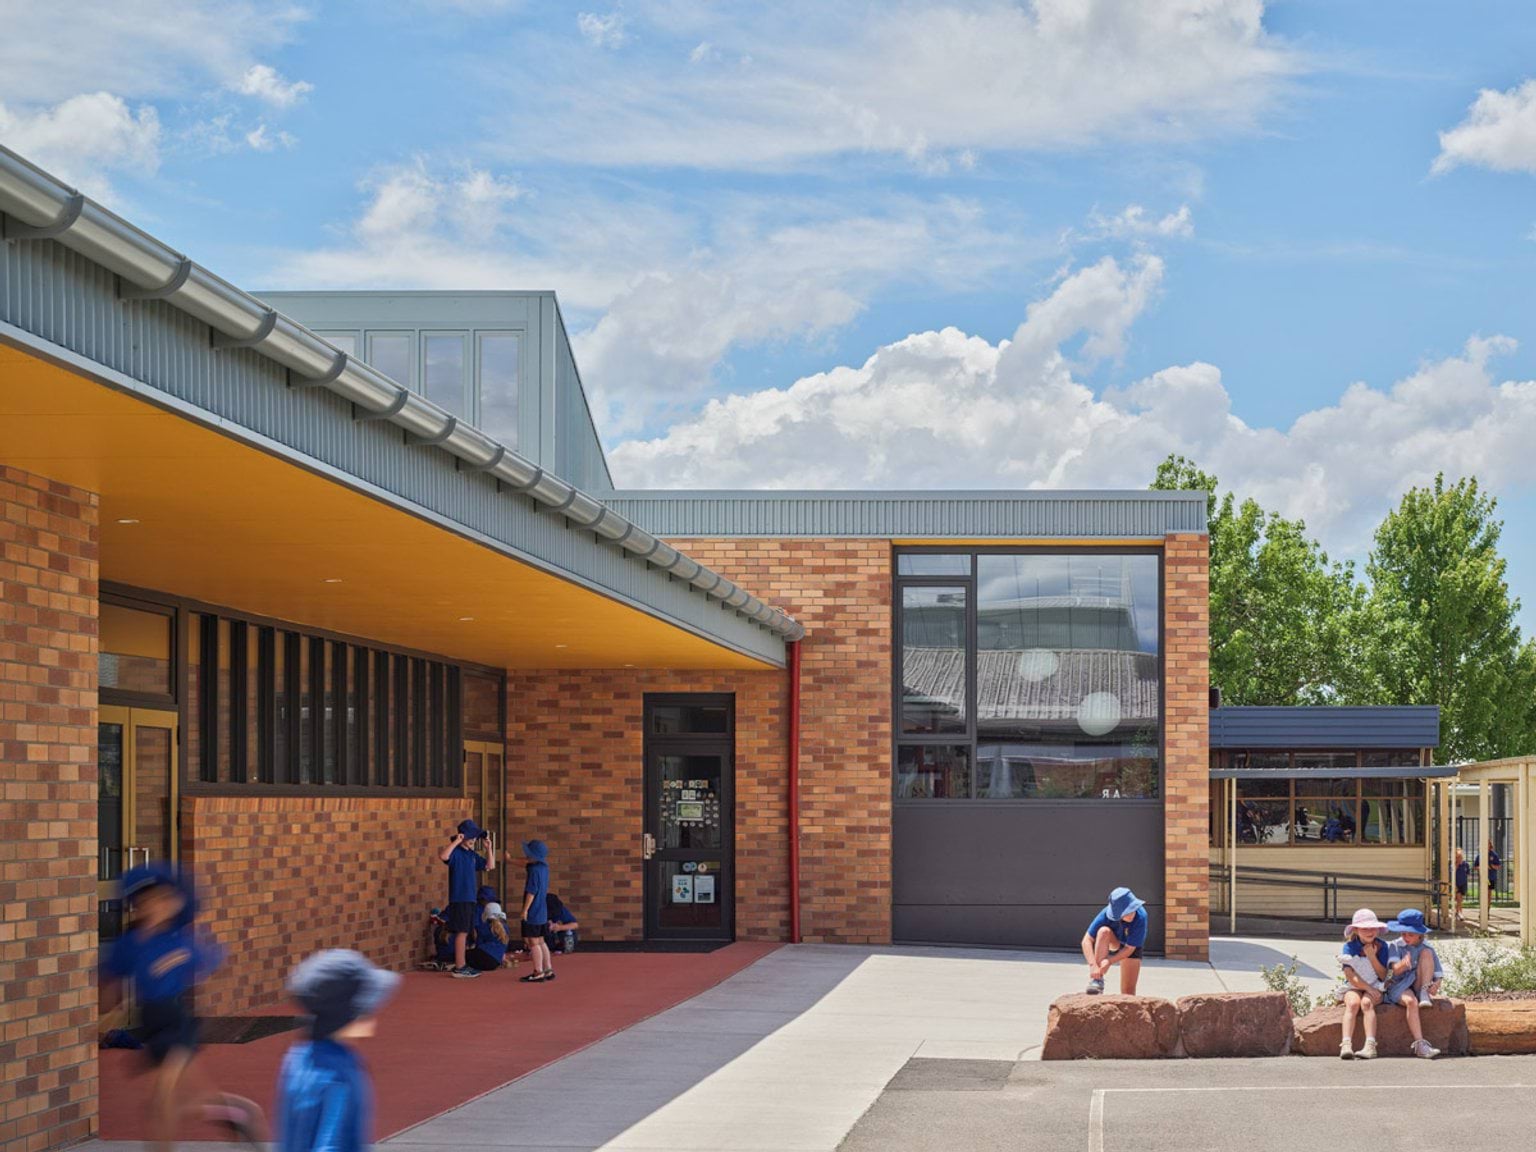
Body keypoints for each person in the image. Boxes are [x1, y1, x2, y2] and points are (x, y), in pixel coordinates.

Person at [99, 864, 265, 1152]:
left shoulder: (182, 941)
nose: (155, 907)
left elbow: (213, 964)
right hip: (151, 1027)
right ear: (136, 906)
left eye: (163, 900)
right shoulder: (129, 944)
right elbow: (111, 984)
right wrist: (107, 1008)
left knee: (162, 1100)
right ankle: (240, 1114)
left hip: (177, 1024)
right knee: (184, 1103)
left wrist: (199, 971)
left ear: (176, 903)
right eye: (146, 902)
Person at [278, 949, 401, 1152]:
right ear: (348, 1015)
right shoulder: (338, 1075)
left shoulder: (297, 1058)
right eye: (367, 1009)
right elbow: (331, 1145)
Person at [437, 819, 495, 979]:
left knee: (465, 931)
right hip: (459, 898)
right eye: (471, 838)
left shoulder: (472, 855)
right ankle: (460, 966)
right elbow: (443, 856)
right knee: (461, 932)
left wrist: (489, 849)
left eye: (475, 838)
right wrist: (457, 841)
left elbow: (489, 866)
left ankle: (461, 965)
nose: (473, 841)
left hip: (470, 898)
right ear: (462, 837)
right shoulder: (456, 853)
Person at [1337, 908, 1389, 1060]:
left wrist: (1372, 956)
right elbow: (1350, 976)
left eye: (1373, 928)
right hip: (1356, 985)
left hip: (1377, 984)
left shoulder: (1382, 946)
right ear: (1356, 930)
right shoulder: (1349, 947)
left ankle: (1370, 1045)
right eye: (1365, 928)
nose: (1369, 931)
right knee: (1353, 1003)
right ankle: (1346, 1044)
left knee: (1367, 1003)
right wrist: (1367, 988)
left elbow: (1383, 975)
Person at [1080, 887, 1147, 996]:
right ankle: (1097, 980)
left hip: (1130, 946)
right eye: (1127, 912)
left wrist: (1110, 961)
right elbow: (1086, 940)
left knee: (1128, 992)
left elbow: (1130, 948)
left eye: (1133, 909)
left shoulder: (1141, 917)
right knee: (1103, 931)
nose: (1131, 914)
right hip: (1114, 940)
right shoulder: (1105, 915)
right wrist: (1093, 966)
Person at [519, 839, 554, 983]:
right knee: (541, 941)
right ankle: (548, 969)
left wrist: (525, 910)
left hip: (533, 911)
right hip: (542, 911)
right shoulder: (544, 867)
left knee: (533, 942)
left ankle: (537, 971)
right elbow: (524, 863)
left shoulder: (533, 871)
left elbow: (531, 891)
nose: (527, 856)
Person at [466, 885, 512, 971]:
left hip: (482, 954)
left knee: (463, 955)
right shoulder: (505, 928)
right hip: (495, 962)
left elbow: (478, 939)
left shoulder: (485, 926)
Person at [1454, 848, 1469, 921]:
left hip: (1463, 883)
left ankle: (1457, 912)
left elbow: (1467, 874)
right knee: (1458, 899)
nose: (1459, 858)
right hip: (1457, 884)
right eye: (1457, 857)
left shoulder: (1465, 864)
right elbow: (1452, 873)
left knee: (1460, 900)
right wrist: (1456, 865)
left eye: (1460, 857)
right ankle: (1460, 913)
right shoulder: (1454, 864)